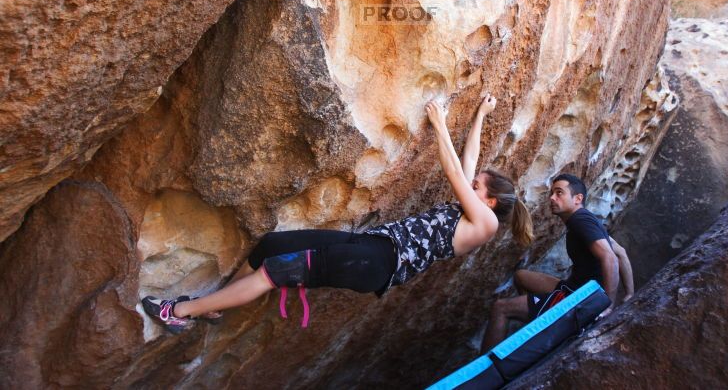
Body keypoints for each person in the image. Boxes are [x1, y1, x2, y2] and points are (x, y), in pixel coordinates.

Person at [142, 94, 533, 333]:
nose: (472, 184)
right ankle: (216, 304)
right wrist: (481, 114)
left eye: (479, 186)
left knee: (273, 274)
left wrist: (439, 122)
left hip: (378, 263)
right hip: (370, 244)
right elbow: (468, 161)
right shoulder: (471, 208)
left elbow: (453, 170)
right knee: (271, 246)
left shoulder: (486, 223)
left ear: (491, 202)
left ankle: (179, 311)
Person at [480, 173, 634, 352]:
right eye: (551, 193)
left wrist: (606, 305)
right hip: (571, 287)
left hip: (576, 298)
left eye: (559, 193)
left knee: (501, 308)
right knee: (521, 276)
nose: (552, 198)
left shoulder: (580, 220)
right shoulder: (586, 220)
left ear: (578, 199)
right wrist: (630, 294)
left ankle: (482, 371)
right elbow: (621, 253)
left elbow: (611, 258)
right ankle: (540, 323)